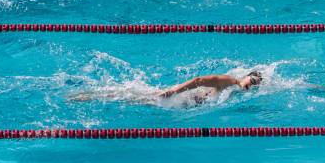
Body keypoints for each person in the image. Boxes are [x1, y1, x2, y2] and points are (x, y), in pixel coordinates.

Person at [70, 70, 263, 105]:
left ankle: (88, 95)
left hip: (184, 102)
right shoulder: (228, 80)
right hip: (177, 99)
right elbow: (198, 80)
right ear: (246, 76)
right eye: (252, 81)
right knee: (130, 98)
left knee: (132, 97)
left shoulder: (234, 90)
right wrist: (174, 92)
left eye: (254, 85)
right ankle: (85, 96)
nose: (250, 86)